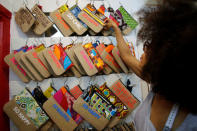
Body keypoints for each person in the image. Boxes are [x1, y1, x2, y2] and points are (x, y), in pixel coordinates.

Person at [104, 0, 197, 130]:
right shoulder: (158, 81)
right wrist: (116, 29)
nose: (144, 49)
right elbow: (127, 56)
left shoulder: (192, 121)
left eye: (149, 46)